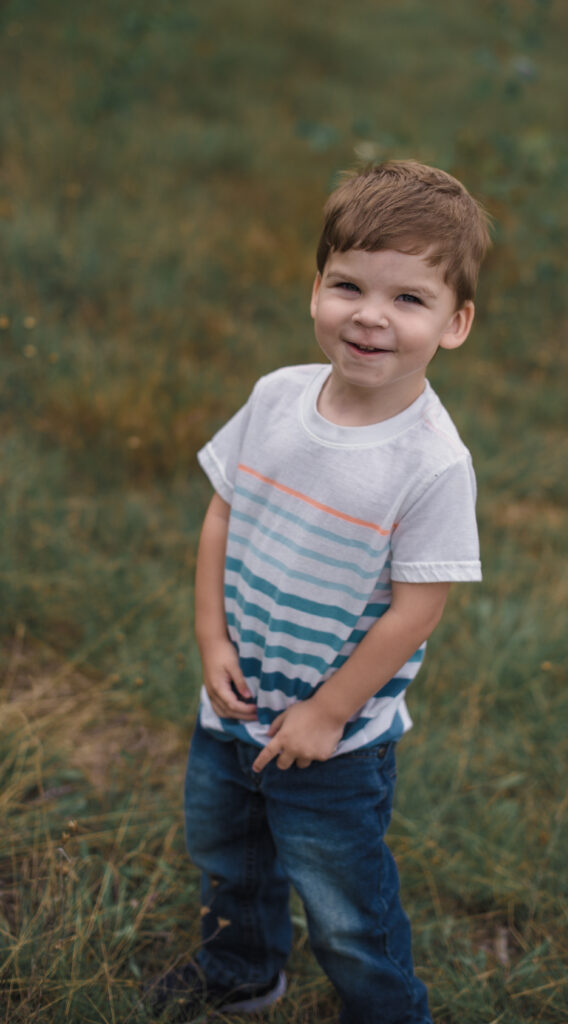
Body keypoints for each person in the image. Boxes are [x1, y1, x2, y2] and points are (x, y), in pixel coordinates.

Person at [151, 160, 490, 1022]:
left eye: (409, 300)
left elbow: (418, 609)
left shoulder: (432, 462)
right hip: (233, 703)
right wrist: (212, 642)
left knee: (344, 906)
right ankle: (242, 970)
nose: (371, 316)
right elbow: (222, 518)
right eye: (349, 285)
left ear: (455, 324)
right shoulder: (276, 399)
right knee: (230, 855)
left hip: (335, 741)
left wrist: (331, 711)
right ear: (315, 290)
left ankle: (385, 1011)